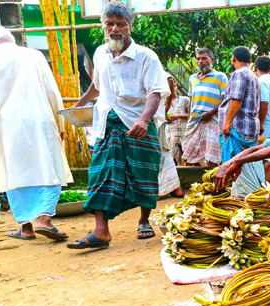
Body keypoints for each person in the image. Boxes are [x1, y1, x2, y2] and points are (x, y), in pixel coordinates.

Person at [69, 2, 170, 249]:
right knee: (101, 173)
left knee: (144, 172)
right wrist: (78, 106)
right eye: (110, 23)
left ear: (130, 27)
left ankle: (144, 220)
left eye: (121, 24)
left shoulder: (146, 56)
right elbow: (97, 86)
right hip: (107, 123)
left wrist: (145, 120)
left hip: (138, 123)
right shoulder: (100, 54)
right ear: (103, 25)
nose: (115, 29)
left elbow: (156, 91)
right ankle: (101, 231)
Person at [0, 25, 72, 241]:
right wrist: (60, 124)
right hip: (40, 120)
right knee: (49, 167)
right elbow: (52, 92)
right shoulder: (34, 55)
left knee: (14, 172)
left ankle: (26, 228)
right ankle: (44, 218)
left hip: (6, 125)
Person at [181, 48, 227, 168]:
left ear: (212, 60)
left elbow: (226, 100)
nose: (201, 61)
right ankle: (192, 185)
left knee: (212, 155)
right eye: (198, 59)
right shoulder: (193, 78)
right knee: (189, 155)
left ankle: (212, 185)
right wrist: (190, 117)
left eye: (204, 58)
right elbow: (192, 100)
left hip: (213, 121)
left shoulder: (220, 77)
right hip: (195, 122)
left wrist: (211, 113)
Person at [219, 46, 261, 163]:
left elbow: (236, 100)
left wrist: (227, 122)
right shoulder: (254, 76)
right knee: (246, 166)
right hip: (250, 128)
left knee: (232, 166)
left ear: (233, 58)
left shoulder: (239, 74)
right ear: (250, 61)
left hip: (237, 128)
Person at [158, 74, 185, 198]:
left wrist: (166, 106)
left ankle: (161, 190)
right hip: (157, 121)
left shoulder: (153, 70)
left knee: (160, 154)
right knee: (165, 155)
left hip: (153, 120)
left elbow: (170, 79)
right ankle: (176, 188)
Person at [165, 81, 190, 165]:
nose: (173, 89)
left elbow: (190, 116)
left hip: (184, 133)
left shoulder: (185, 99)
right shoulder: (163, 102)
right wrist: (167, 120)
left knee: (187, 158)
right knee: (173, 159)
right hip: (170, 133)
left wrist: (177, 116)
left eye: (175, 86)